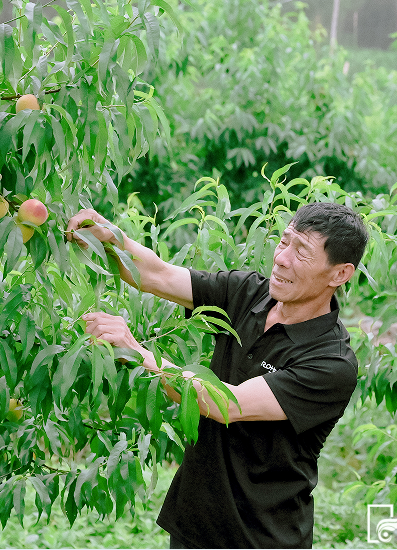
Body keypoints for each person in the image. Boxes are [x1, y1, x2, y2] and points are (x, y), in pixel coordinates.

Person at [66, 201, 369, 550]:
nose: (281, 258)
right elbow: (157, 275)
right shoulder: (249, 293)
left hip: (261, 539)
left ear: (339, 274)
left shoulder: (330, 363)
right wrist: (109, 235)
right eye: (284, 241)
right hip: (193, 526)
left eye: (301, 251)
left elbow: (224, 403)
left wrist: (136, 351)